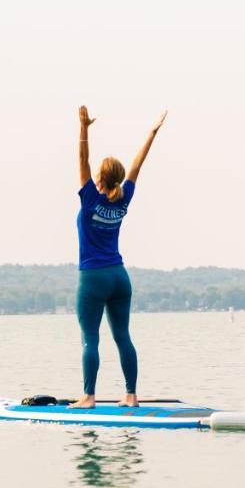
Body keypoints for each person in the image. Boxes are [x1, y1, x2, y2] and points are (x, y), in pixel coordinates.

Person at [71, 107, 166, 409]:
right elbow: (139, 164)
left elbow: (82, 159)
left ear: (99, 178)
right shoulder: (124, 197)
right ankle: (131, 395)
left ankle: (88, 397)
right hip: (119, 277)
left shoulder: (90, 197)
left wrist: (84, 128)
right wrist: (151, 134)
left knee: (91, 339)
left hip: (94, 278)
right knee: (123, 337)